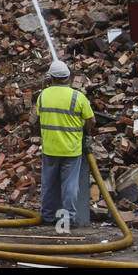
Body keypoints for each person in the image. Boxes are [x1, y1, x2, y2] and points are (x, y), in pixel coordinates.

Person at [29, 59, 94, 230]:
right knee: (69, 186)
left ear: (51, 78)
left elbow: (40, 118)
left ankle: (48, 216)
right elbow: (91, 120)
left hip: (50, 148)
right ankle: (67, 220)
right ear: (68, 77)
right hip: (71, 149)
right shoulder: (77, 97)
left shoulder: (43, 96)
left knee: (49, 184)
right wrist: (85, 130)